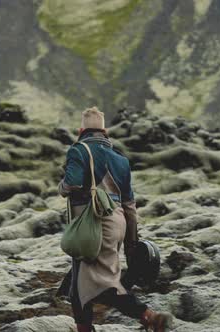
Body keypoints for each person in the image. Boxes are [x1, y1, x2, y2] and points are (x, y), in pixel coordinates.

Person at [56, 107, 172, 332]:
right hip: (116, 224)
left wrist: (61, 188)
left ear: (81, 130)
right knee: (83, 283)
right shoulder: (121, 159)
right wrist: (131, 243)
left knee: (92, 285)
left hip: (92, 226)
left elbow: (72, 183)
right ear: (105, 131)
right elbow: (130, 205)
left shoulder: (78, 150)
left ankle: (150, 316)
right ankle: (146, 317)